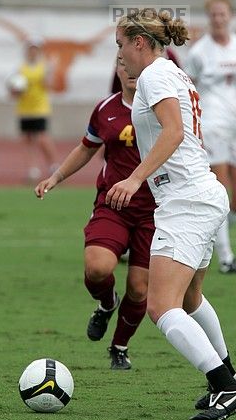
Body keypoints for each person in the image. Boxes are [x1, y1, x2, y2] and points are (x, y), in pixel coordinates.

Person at [106, 8, 236, 420]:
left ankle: (226, 386)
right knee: (189, 300)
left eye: (121, 45)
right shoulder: (172, 72)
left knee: (162, 306)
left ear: (139, 42)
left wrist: (134, 180)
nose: (120, 55)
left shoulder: (154, 74)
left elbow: (172, 132)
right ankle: (230, 379)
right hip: (201, 192)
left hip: (186, 199)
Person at [34, 62, 155, 370]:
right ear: (115, 69)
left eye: (136, 65)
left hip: (155, 211)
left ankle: (119, 347)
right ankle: (106, 303)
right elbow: (86, 148)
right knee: (98, 268)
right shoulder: (105, 109)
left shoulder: (163, 109)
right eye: (123, 65)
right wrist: (56, 177)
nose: (130, 71)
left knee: (140, 288)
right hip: (112, 204)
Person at [184, 0, 236, 274]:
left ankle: (207, 234)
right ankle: (226, 258)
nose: (218, 19)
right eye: (213, 14)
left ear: (230, 16)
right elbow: (187, 89)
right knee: (221, 189)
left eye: (222, 14)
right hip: (211, 124)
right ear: (209, 18)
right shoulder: (199, 52)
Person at [9, 40, 60, 182]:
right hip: (24, 109)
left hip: (40, 108)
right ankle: (32, 170)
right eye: (30, 49)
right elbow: (12, 91)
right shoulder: (20, 68)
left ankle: (54, 167)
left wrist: (49, 74)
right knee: (27, 139)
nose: (32, 52)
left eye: (35, 49)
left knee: (43, 138)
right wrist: (16, 90)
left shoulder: (44, 67)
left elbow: (49, 85)